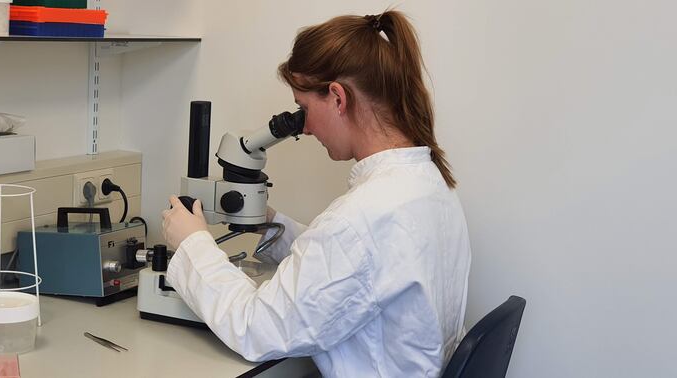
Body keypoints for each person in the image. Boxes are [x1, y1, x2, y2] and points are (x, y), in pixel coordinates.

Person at [161, 10, 471, 378]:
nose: (303, 127)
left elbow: (256, 327)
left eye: (304, 108)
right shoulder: (427, 183)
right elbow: (360, 271)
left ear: (338, 98)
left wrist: (193, 244)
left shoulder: (360, 219)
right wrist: (272, 224)